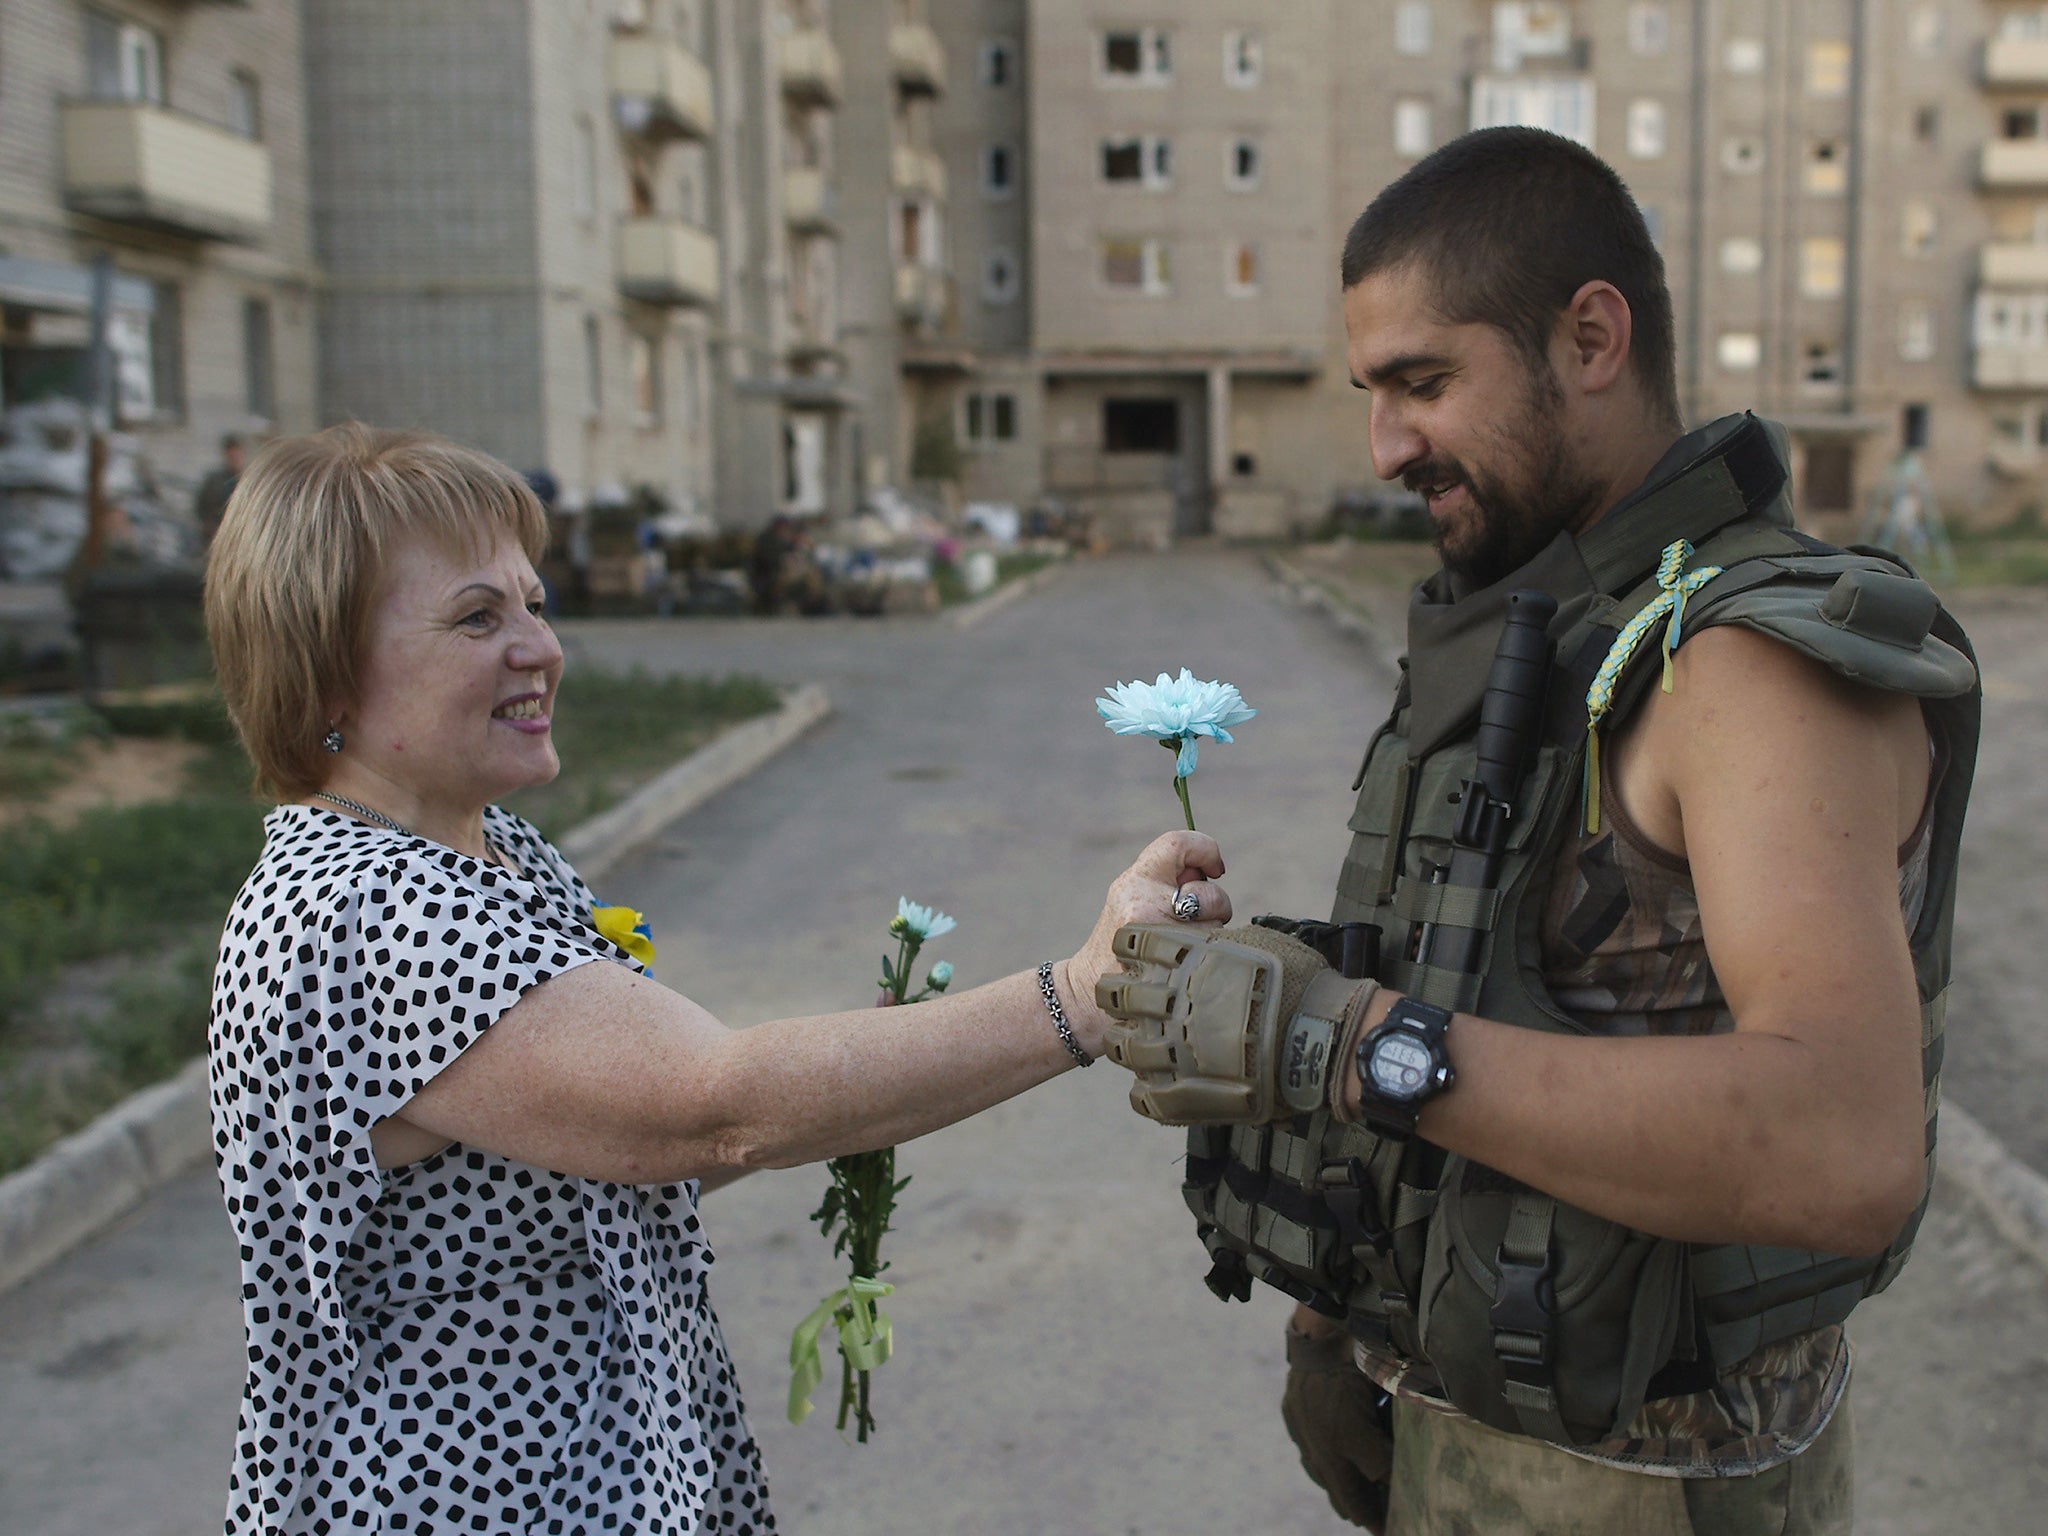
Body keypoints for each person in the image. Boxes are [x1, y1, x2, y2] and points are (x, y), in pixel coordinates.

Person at [1096, 127, 1979, 1535]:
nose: (1386, 445)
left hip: (1656, 1487)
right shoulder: (1555, 627)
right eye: (1371, 392)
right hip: (1468, 1425)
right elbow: (1457, 974)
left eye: (1424, 383)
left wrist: (1338, 1039)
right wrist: (1335, 1330)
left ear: (1589, 338)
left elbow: (1847, 1148)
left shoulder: (1744, 668)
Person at [200, 423, 1227, 1535]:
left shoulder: (482, 850)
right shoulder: (368, 912)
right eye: (475, 617)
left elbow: (609, 1161)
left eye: (534, 604)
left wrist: (867, 1082)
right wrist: (1084, 994)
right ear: (323, 668)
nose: (540, 648)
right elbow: (714, 1108)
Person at [192, 433, 244, 546]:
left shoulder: (247, 481)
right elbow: (201, 509)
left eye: (236, 455)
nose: (234, 459)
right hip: (219, 537)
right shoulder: (214, 482)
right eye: (231, 455)